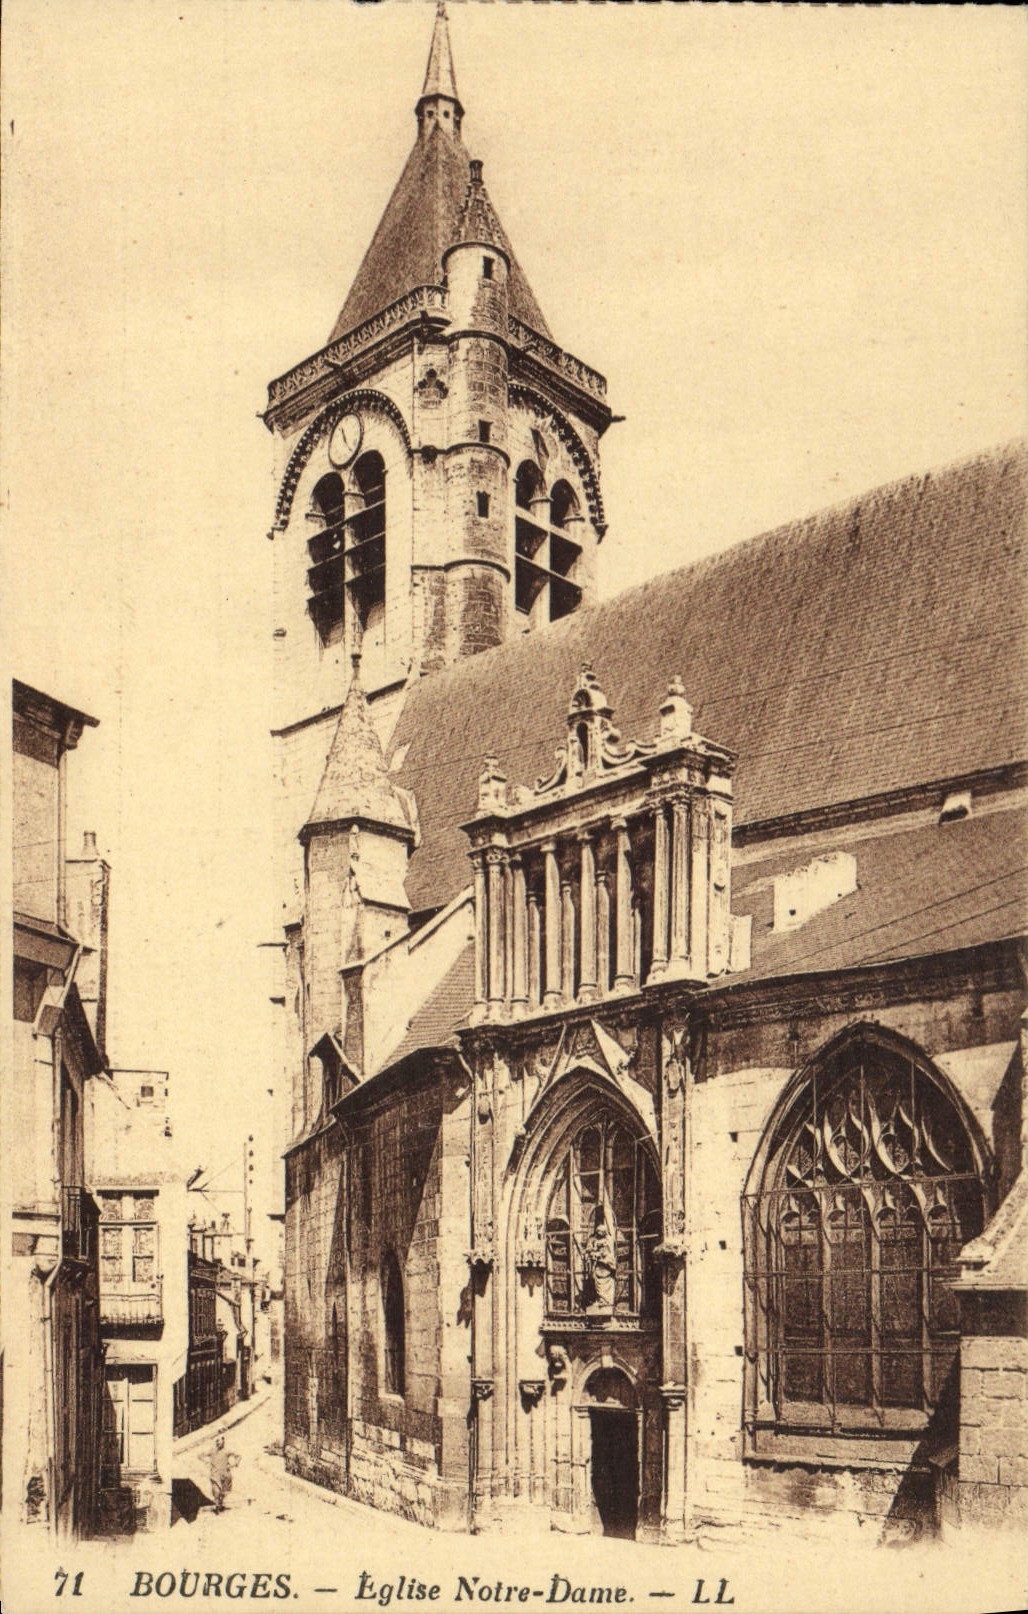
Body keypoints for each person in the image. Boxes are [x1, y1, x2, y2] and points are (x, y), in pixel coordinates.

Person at [208, 1435, 240, 1513]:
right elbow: (200, 1455)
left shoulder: (227, 1451)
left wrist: (235, 1463)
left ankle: (220, 1502)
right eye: (216, 1441)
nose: (217, 1442)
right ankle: (217, 1505)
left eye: (219, 1441)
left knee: (224, 1491)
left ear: (223, 1442)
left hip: (225, 1474)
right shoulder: (212, 1451)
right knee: (216, 1491)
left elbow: (238, 1456)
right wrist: (206, 1462)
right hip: (215, 1474)